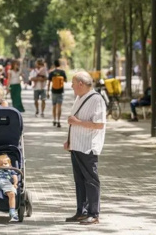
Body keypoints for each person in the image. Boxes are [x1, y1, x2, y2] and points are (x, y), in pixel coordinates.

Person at [64, 71, 106, 225]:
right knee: (79, 180)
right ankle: (81, 211)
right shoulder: (79, 97)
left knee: (91, 180)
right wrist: (69, 140)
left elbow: (99, 124)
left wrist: (77, 122)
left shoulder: (96, 99)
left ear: (80, 84)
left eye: (73, 83)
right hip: (77, 145)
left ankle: (94, 214)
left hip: (87, 146)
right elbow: (74, 121)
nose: (71, 86)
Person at [47, 59, 68, 128]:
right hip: (61, 91)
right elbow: (66, 81)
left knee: (54, 106)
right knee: (59, 106)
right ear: (60, 64)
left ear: (54, 65)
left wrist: (47, 92)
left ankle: (54, 120)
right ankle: (59, 120)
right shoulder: (62, 72)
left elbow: (49, 83)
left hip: (54, 91)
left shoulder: (52, 73)